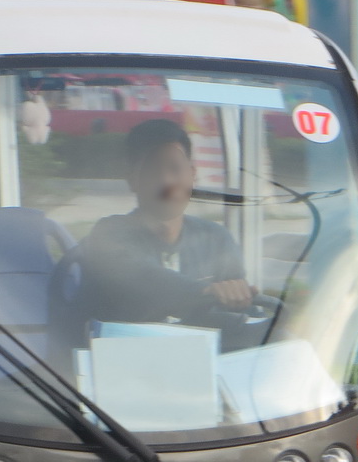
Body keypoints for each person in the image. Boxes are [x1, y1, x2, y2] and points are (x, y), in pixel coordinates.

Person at [68, 118, 255, 325]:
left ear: (192, 175)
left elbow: (244, 311)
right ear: (132, 179)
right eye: (153, 170)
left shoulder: (217, 239)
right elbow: (143, 279)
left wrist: (242, 300)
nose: (166, 181)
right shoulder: (108, 235)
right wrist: (207, 291)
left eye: (175, 168)